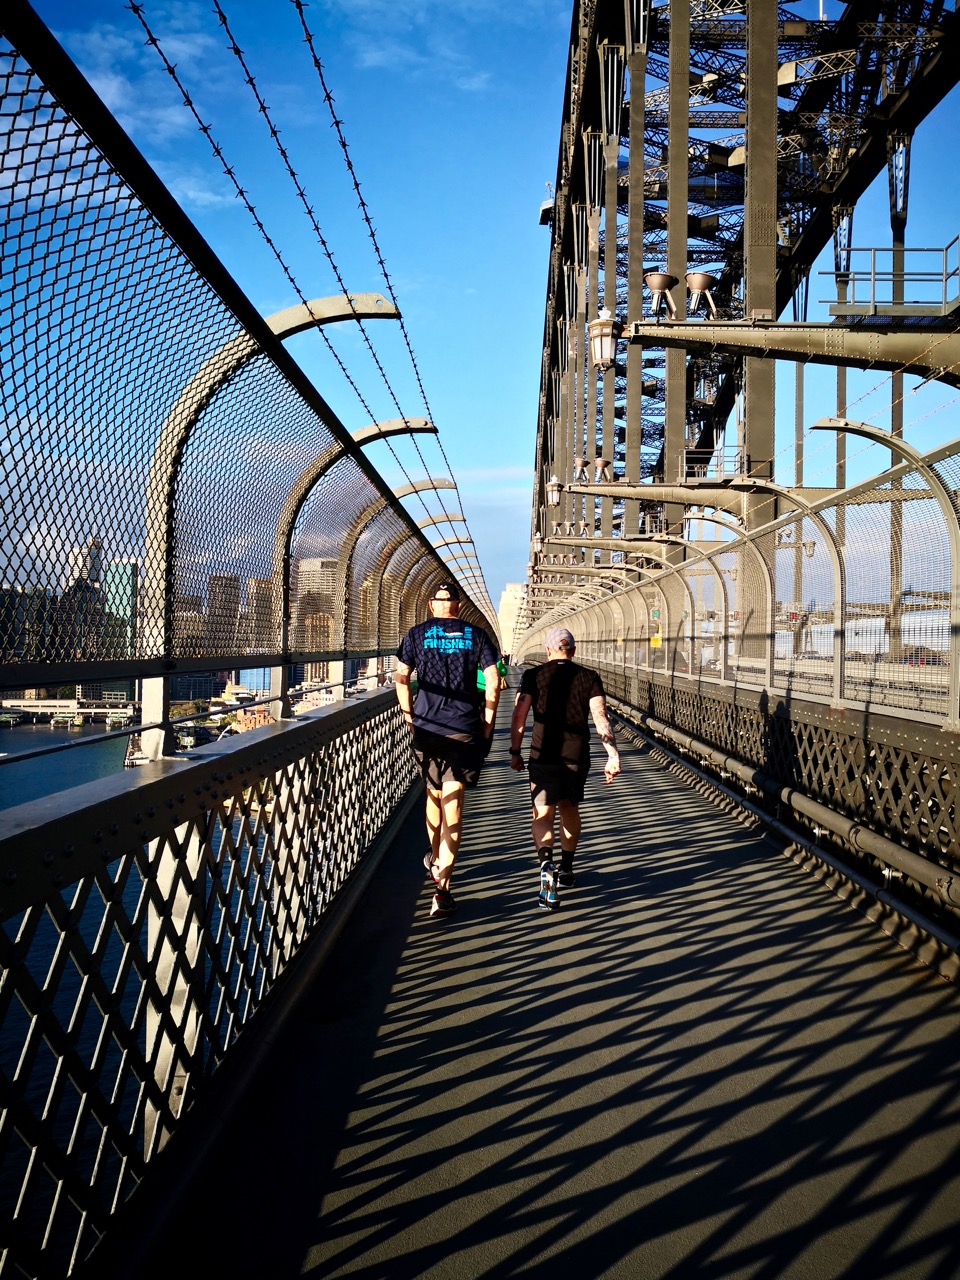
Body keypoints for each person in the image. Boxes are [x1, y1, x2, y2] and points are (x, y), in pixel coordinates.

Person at [395, 582, 501, 917]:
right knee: (454, 804)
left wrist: (410, 717)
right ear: (457, 605)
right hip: (463, 729)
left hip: (427, 728)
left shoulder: (416, 634)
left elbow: (400, 678)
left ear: (431, 605)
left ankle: (433, 851)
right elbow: (494, 684)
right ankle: (442, 890)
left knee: (434, 795)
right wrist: (486, 723)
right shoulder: (477, 635)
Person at [509, 626, 620, 909]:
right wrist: (612, 754)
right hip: (575, 755)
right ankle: (567, 869)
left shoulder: (534, 676)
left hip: (542, 755)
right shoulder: (589, 677)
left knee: (542, 813)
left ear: (547, 650)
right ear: (573, 649)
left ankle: (546, 863)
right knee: (569, 809)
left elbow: (520, 715)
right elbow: (600, 716)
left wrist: (515, 751)